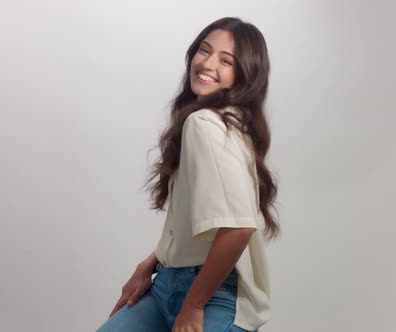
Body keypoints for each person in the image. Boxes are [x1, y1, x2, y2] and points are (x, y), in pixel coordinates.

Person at [96, 17, 279, 332]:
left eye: (226, 61)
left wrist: (193, 306)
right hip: (167, 283)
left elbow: (237, 228)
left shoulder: (206, 124)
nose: (207, 64)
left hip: (213, 294)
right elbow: (204, 230)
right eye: (204, 51)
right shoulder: (230, 125)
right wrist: (151, 262)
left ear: (244, 75)